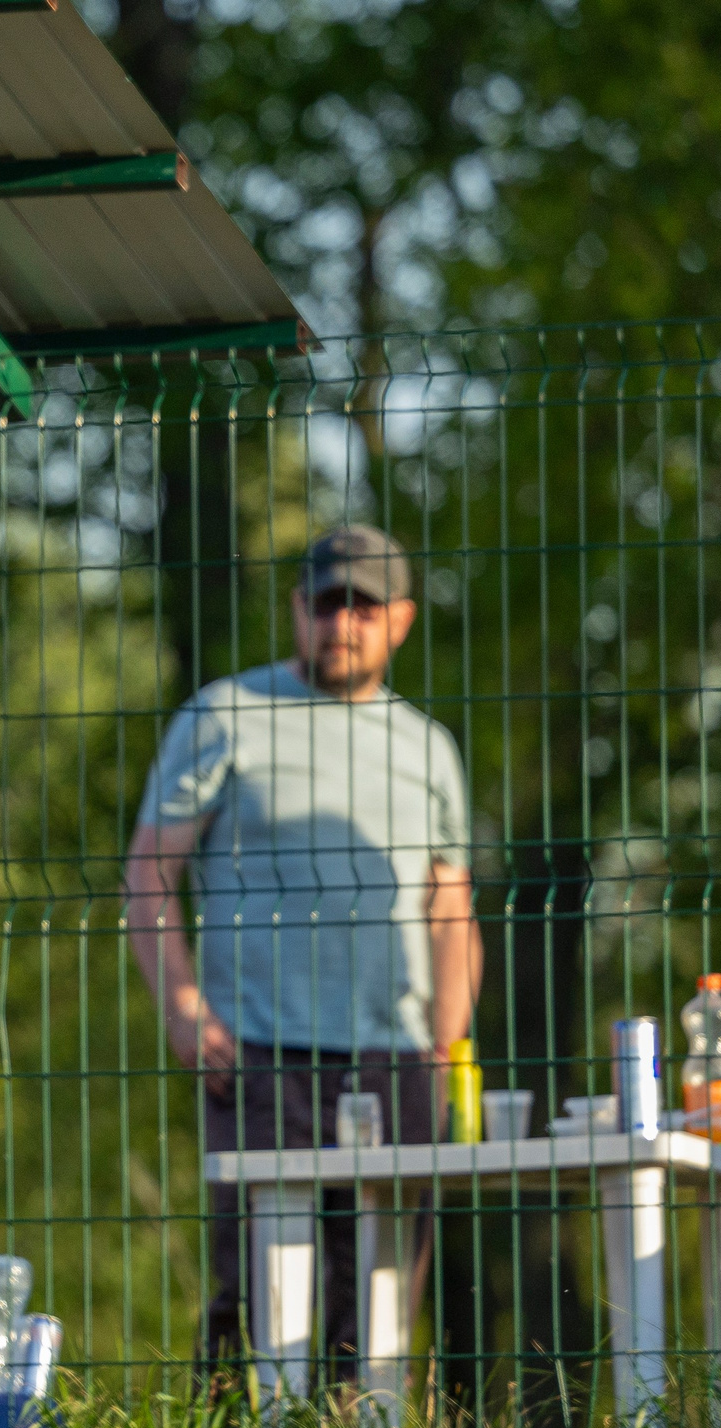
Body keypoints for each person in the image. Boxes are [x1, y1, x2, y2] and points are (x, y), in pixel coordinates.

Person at [124, 525, 479, 1379]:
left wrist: (447, 1040)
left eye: (363, 605)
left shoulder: (427, 745)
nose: (342, 623)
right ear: (299, 609)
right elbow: (148, 873)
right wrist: (182, 1002)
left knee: (380, 1306)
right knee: (249, 1302)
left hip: (396, 1060)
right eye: (327, 602)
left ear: (400, 619)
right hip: (254, 1054)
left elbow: (450, 904)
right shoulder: (226, 714)